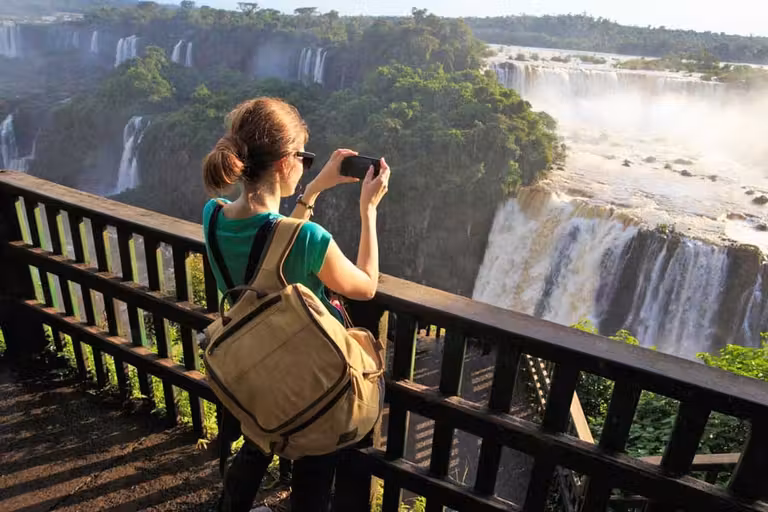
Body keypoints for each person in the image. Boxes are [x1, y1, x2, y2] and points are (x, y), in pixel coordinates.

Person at [201, 97, 390, 512]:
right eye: (304, 157)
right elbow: (365, 287)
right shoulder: (309, 239)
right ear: (286, 162)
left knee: (257, 441)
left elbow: (273, 248)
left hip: (252, 370)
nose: (306, 165)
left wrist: (313, 190)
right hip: (307, 382)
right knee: (313, 474)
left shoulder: (212, 216)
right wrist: (368, 210)